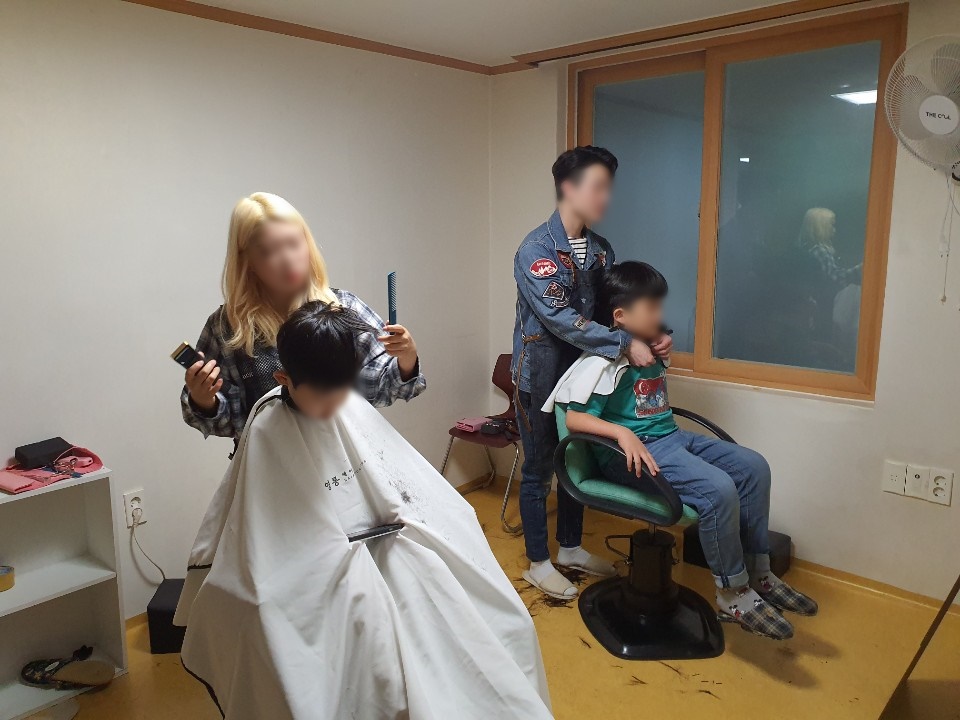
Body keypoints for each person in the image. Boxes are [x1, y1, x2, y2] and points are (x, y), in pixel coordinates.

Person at [174, 302, 552, 720]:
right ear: (283, 379)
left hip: (388, 544)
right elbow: (264, 535)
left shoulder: (347, 402)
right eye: (322, 397)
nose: (334, 407)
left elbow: (396, 490)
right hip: (305, 566)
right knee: (355, 643)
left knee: (504, 620)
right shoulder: (267, 426)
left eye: (342, 393)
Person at [548, 261, 818, 640]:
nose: (660, 315)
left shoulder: (650, 347)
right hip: (632, 455)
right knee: (718, 489)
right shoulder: (600, 359)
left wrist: (659, 345)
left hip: (671, 438)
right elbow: (576, 419)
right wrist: (622, 434)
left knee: (754, 468)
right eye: (652, 307)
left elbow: (645, 393)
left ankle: (760, 572)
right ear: (620, 316)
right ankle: (732, 592)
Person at [512, 146, 672, 601]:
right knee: (539, 468)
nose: (606, 197)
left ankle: (570, 548)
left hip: (584, 377)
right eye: (597, 186)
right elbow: (560, 318)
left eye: (608, 187)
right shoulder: (536, 250)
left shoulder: (601, 251)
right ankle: (538, 562)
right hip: (541, 375)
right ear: (568, 188)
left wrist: (655, 334)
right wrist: (625, 344)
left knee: (574, 462)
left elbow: (613, 309)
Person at [181, 192, 425, 442]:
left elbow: (380, 386)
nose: (288, 260)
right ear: (247, 261)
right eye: (268, 251)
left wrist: (406, 358)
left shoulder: (343, 307)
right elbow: (230, 418)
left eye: (294, 243)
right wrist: (203, 399)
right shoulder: (227, 327)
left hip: (342, 452)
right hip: (269, 458)